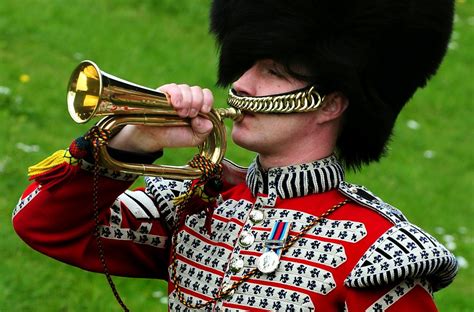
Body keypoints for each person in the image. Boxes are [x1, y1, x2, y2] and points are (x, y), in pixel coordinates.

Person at [13, 0, 458, 311]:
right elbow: (43, 225)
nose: (241, 84)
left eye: (273, 71)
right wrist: (134, 141)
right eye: (245, 64)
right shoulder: (195, 204)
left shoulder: (378, 252)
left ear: (330, 104)